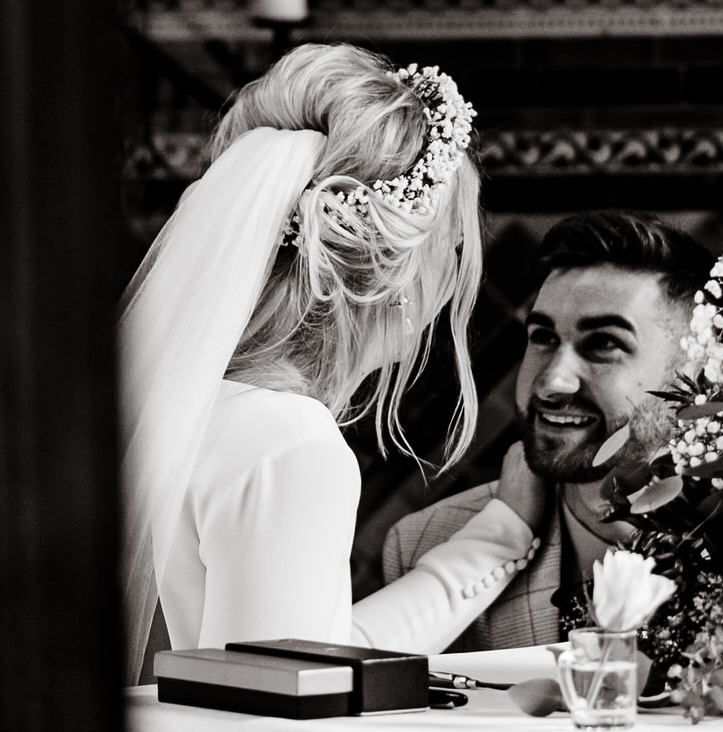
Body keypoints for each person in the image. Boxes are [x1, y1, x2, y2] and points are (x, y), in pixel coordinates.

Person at [118, 43, 551, 680]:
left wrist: (501, 533)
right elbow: (276, 704)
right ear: (395, 275)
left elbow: (307, 651)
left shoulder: (191, 406)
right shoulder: (288, 442)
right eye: (451, 251)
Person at [381, 211, 713, 651]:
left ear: (697, 370)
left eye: (604, 343)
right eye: (543, 336)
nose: (554, 380)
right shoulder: (426, 544)